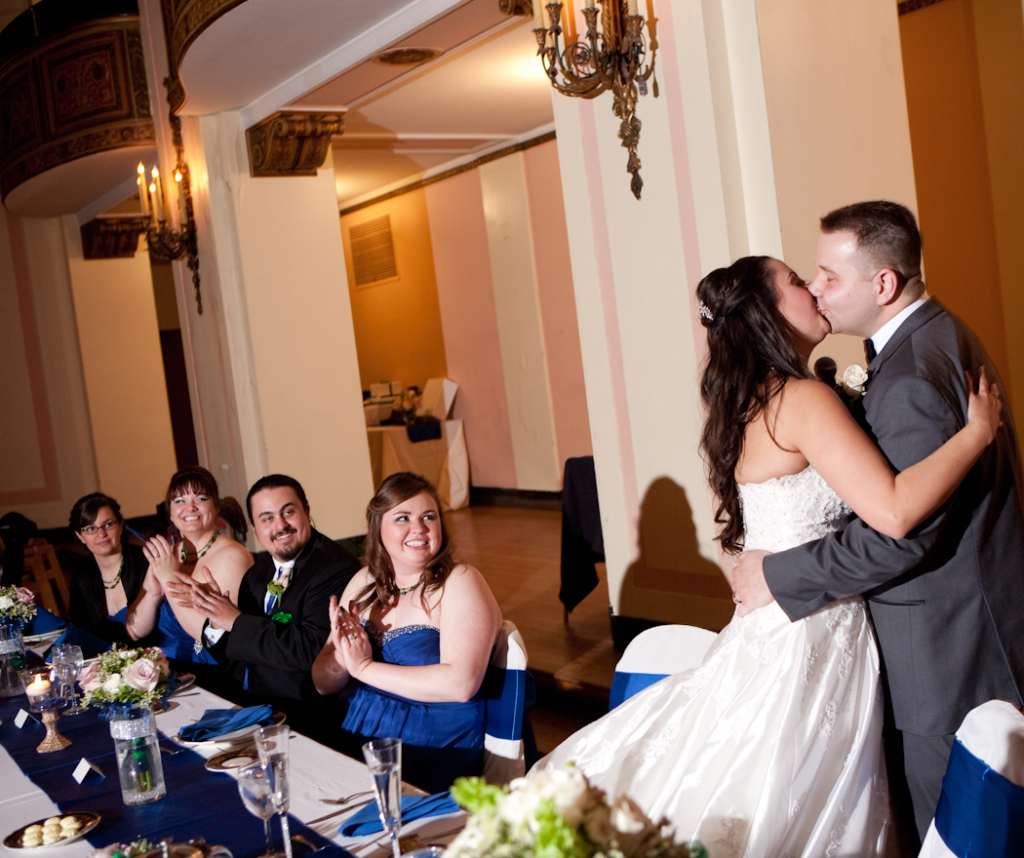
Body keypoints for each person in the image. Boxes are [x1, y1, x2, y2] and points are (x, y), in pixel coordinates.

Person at [536, 253, 1003, 857]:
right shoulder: (804, 399)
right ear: (766, 312)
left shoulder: (751, 399)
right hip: (812, 627)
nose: (814, 290)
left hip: (777, 615)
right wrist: (975, 434)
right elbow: (891, 511)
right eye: (797, 282)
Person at [732, 201, 1024, 847]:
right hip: (966, 629)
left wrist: (779, 574)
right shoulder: (938, 336)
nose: (816, 288)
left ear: (883, 283)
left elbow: (901, 533)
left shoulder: (910, 376)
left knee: (948, 834)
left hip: (945, 653)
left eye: (828, 276)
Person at [311, 472, 502, 793]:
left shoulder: (459, 581)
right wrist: (343, 658)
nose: (419, 528)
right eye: (403, 518)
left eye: (429, 516)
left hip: (435, 744)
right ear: (378, 529)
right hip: (363, 733)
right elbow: (322, 683)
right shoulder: (363, 583)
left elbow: (461, 684)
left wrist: (364, 668)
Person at [186, 474, 360, 732]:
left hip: (305, 715)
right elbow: (236, 653)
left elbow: (312, 651)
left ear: (307, 511)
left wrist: (235, 621)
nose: (280, 525)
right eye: (267, 518)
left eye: (288, 512)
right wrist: (216, 620)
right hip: (245, 703)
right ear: (255, 528)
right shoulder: (257, 573)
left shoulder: (336, 569)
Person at [126, 467, 252, 666]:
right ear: (170, 512)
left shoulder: (234, 557)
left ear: (216, 506)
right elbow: (135, 631)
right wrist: (154, 594)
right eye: (179, 501)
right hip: (166, 666)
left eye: (200, 499)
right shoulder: (168, 555)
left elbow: (215, 638)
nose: (190, 507)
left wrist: (168, 579)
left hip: (211, 669)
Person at [67, 493, 149, 644]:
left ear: (120, 526)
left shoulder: (146, 563)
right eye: (91, 528)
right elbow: (82, 634)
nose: (101, 534)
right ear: (80, 536)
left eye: (108, 524)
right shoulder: (82, 580)